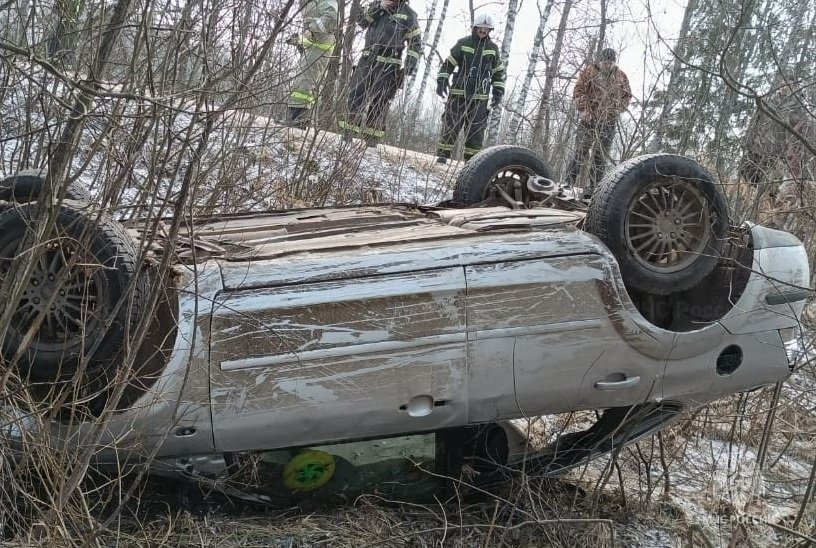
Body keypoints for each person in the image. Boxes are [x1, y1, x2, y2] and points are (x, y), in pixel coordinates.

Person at [338, 0, 422, 146]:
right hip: (367, 59)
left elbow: (415, 43)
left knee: (381, 102)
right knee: (356, 95)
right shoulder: (376, 7)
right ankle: (347, 134)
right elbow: (361, 21)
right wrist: (378, 7)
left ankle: (371, 139)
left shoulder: (409, 15)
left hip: (390, 65)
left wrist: (409, 65)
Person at [435, 14, 506, 164]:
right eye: (481, 28)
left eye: (486, 29)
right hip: (458, 94)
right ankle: (442, 158)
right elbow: (448, 64)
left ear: (490, 30)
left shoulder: (492, 49)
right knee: (450, 126)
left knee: (476, 133)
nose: (483, 31)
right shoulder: (463, 43)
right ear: (475, 28)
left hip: (480, 98)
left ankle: (470, 164)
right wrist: (442, 80)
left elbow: (498, 72)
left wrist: (498, 91)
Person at [565, 48, 631, 195]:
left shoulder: (621, 77)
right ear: (600, 61)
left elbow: (627, 97)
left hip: (608, 122)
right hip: (589, 120)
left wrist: (616, 110)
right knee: (580, 152)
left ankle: (594, 189)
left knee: (600, 156)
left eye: (610, 62)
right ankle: (567, 183)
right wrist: (584, 110)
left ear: (614, 62)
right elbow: (578, 91)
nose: (607, 65)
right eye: (605, 62)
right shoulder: (589, 72)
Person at [739, 78, 808, 188]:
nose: (784, 87)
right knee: (746, 182)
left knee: (770, 189)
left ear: (794, 87)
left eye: (789, 84)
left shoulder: (798, 108)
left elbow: (799, 134)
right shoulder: (767, 101)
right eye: (783, 83)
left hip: (778, 155)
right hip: (756, 148)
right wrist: (746, 143)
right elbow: (754, 122)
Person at [285, 0, 339, 127]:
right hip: (314, 44)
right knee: (301, 81)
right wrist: (301, 39)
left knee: (307, 82)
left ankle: (300, 120)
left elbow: (331, 17)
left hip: (321, 45)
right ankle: (294, 118)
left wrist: (312, 29)